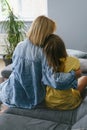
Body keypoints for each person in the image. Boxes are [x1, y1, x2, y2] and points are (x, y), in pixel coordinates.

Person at [0, 15, 77, 110]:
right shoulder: (44, 53)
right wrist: (73, 75)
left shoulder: (20, 46)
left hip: (11, 91)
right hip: (30, 98)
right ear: (45, 33)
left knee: (3, 84)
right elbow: (55, 81)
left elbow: (15, 69)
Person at [43, 34, 87, 110]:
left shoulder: (44, 63)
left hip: (50, 102)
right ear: (63, 48)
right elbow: (77, 78)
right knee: (84, 78)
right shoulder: (74, 61)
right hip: (69, 103)